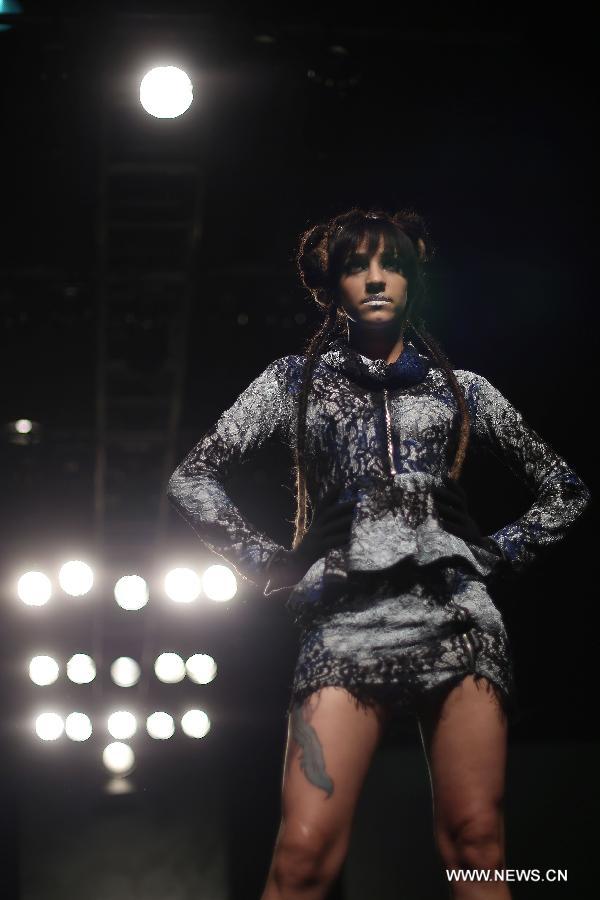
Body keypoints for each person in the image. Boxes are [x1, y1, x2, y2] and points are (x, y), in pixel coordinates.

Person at [166, 207, 591, 899]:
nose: (373, 279)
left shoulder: (465, 391)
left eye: (390, 264)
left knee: (478, 844)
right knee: (302, 857)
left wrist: (499, 549)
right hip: (343, 620)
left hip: (457, 619)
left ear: (413, 279)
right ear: (329, 285)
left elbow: (566, 488)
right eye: (354, 267)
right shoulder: (292, 382)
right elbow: (192, 477)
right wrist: (274, 561)